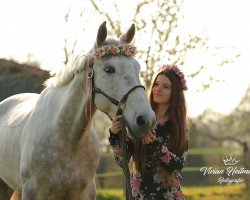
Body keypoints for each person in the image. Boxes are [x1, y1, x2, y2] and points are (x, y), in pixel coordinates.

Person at [109, 64, 189, 200]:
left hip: (168, 195)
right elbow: (123, 161)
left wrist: (155, 145)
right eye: (156, 84)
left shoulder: (179, 126)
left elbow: (178, 165)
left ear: (174, 92)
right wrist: (115, 134)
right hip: (139, 194)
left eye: (165, 86)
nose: (158, 89)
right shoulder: (140, 119)